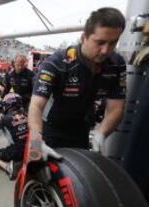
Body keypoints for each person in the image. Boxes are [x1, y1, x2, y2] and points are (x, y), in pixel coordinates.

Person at [28, 7, 126, 155]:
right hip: (49, 129)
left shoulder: (116, 64)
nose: (106, 50)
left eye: (112, 43)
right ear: (83, 37)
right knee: (39, 170)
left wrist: (101, 134)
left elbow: (116, 108)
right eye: (100, 42)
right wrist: (36, 141)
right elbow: (36, 105)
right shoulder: (57, 63)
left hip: (82, 129)